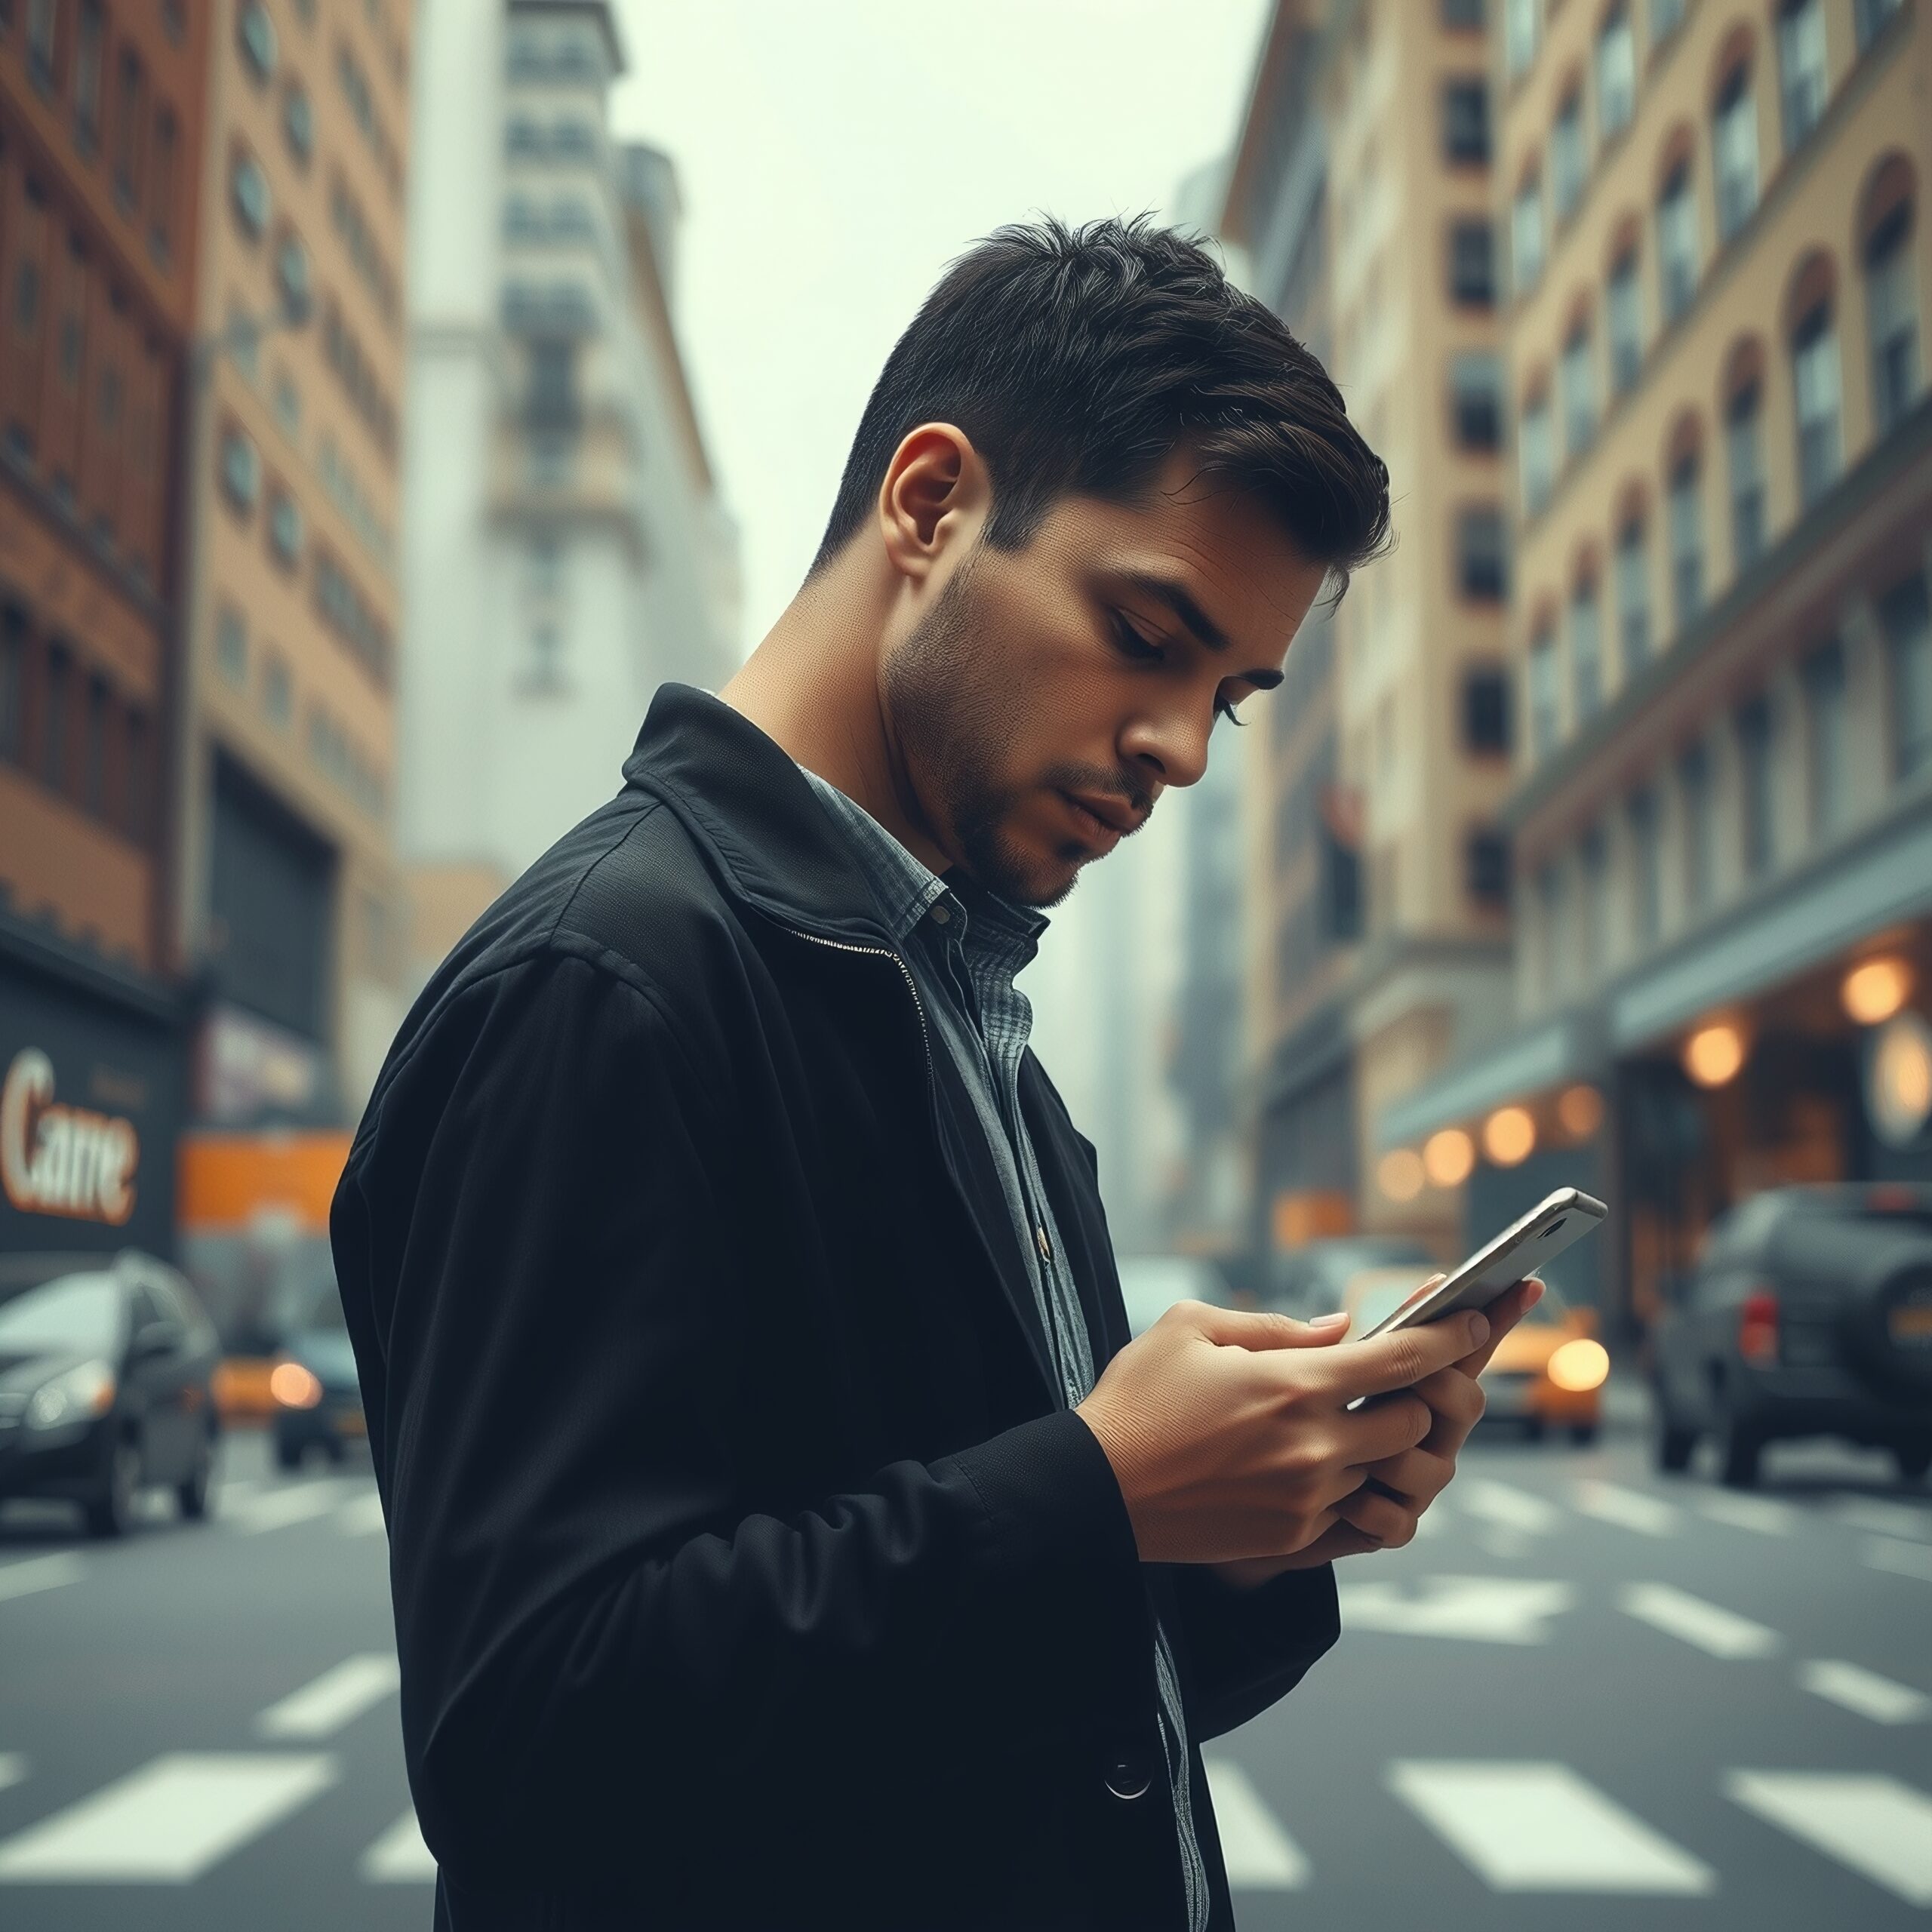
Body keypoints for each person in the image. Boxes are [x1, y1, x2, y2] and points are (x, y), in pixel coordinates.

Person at [331, 214, 1543, 1932]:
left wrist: (1247, 1532)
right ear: (928, 503)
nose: (1181, 749)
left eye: (1234, 695)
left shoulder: (968, 1020)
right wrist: (1103, 1490)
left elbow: (1005, 1707)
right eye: (1144, 631)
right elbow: (532, 1737)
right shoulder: (600, 984)